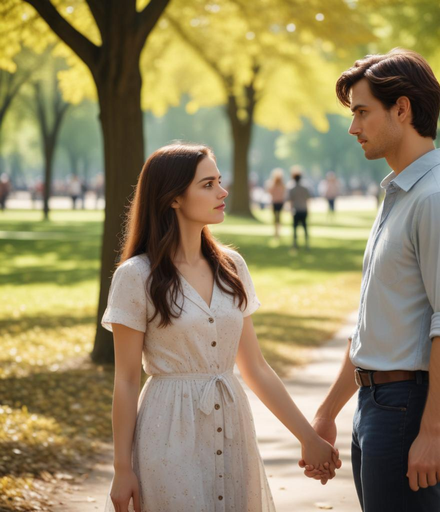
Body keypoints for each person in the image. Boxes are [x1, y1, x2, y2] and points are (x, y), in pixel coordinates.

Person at [101, 143, 340, 512]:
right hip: (167, 433)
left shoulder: (233, 267)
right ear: (174, 198)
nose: (223, 192)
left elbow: (256, 368)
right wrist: (121, 468)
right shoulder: (136, 277)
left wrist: (308, 438)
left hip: (233, 432)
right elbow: (127, 380)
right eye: (208, 184)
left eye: (220, 181)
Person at [299, 49, 440, 512]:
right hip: (377, 405)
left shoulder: (438, 199)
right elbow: (374, 322)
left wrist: (431, 430)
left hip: (409, 410)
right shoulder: (402, 193)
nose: (353, 127)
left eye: (362, 112)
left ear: (401, 109)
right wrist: (327, 412)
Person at [287, 165, 311, 249]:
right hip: (303, 209)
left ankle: (295, 244)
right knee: (305, 227)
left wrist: (290, 210)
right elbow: (308, 199)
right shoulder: (305, 187)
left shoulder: (291, 187)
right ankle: (307, 243)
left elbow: (290, 200)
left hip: (296, 210)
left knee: (295, 228)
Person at [266, 168, 287, 239]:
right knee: (278, 218)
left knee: (276, 218)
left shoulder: (274, 184)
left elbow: (269, 192)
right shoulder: (281, 185)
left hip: (276, 202)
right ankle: (277, 232)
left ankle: (276, 232)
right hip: (279, 202)